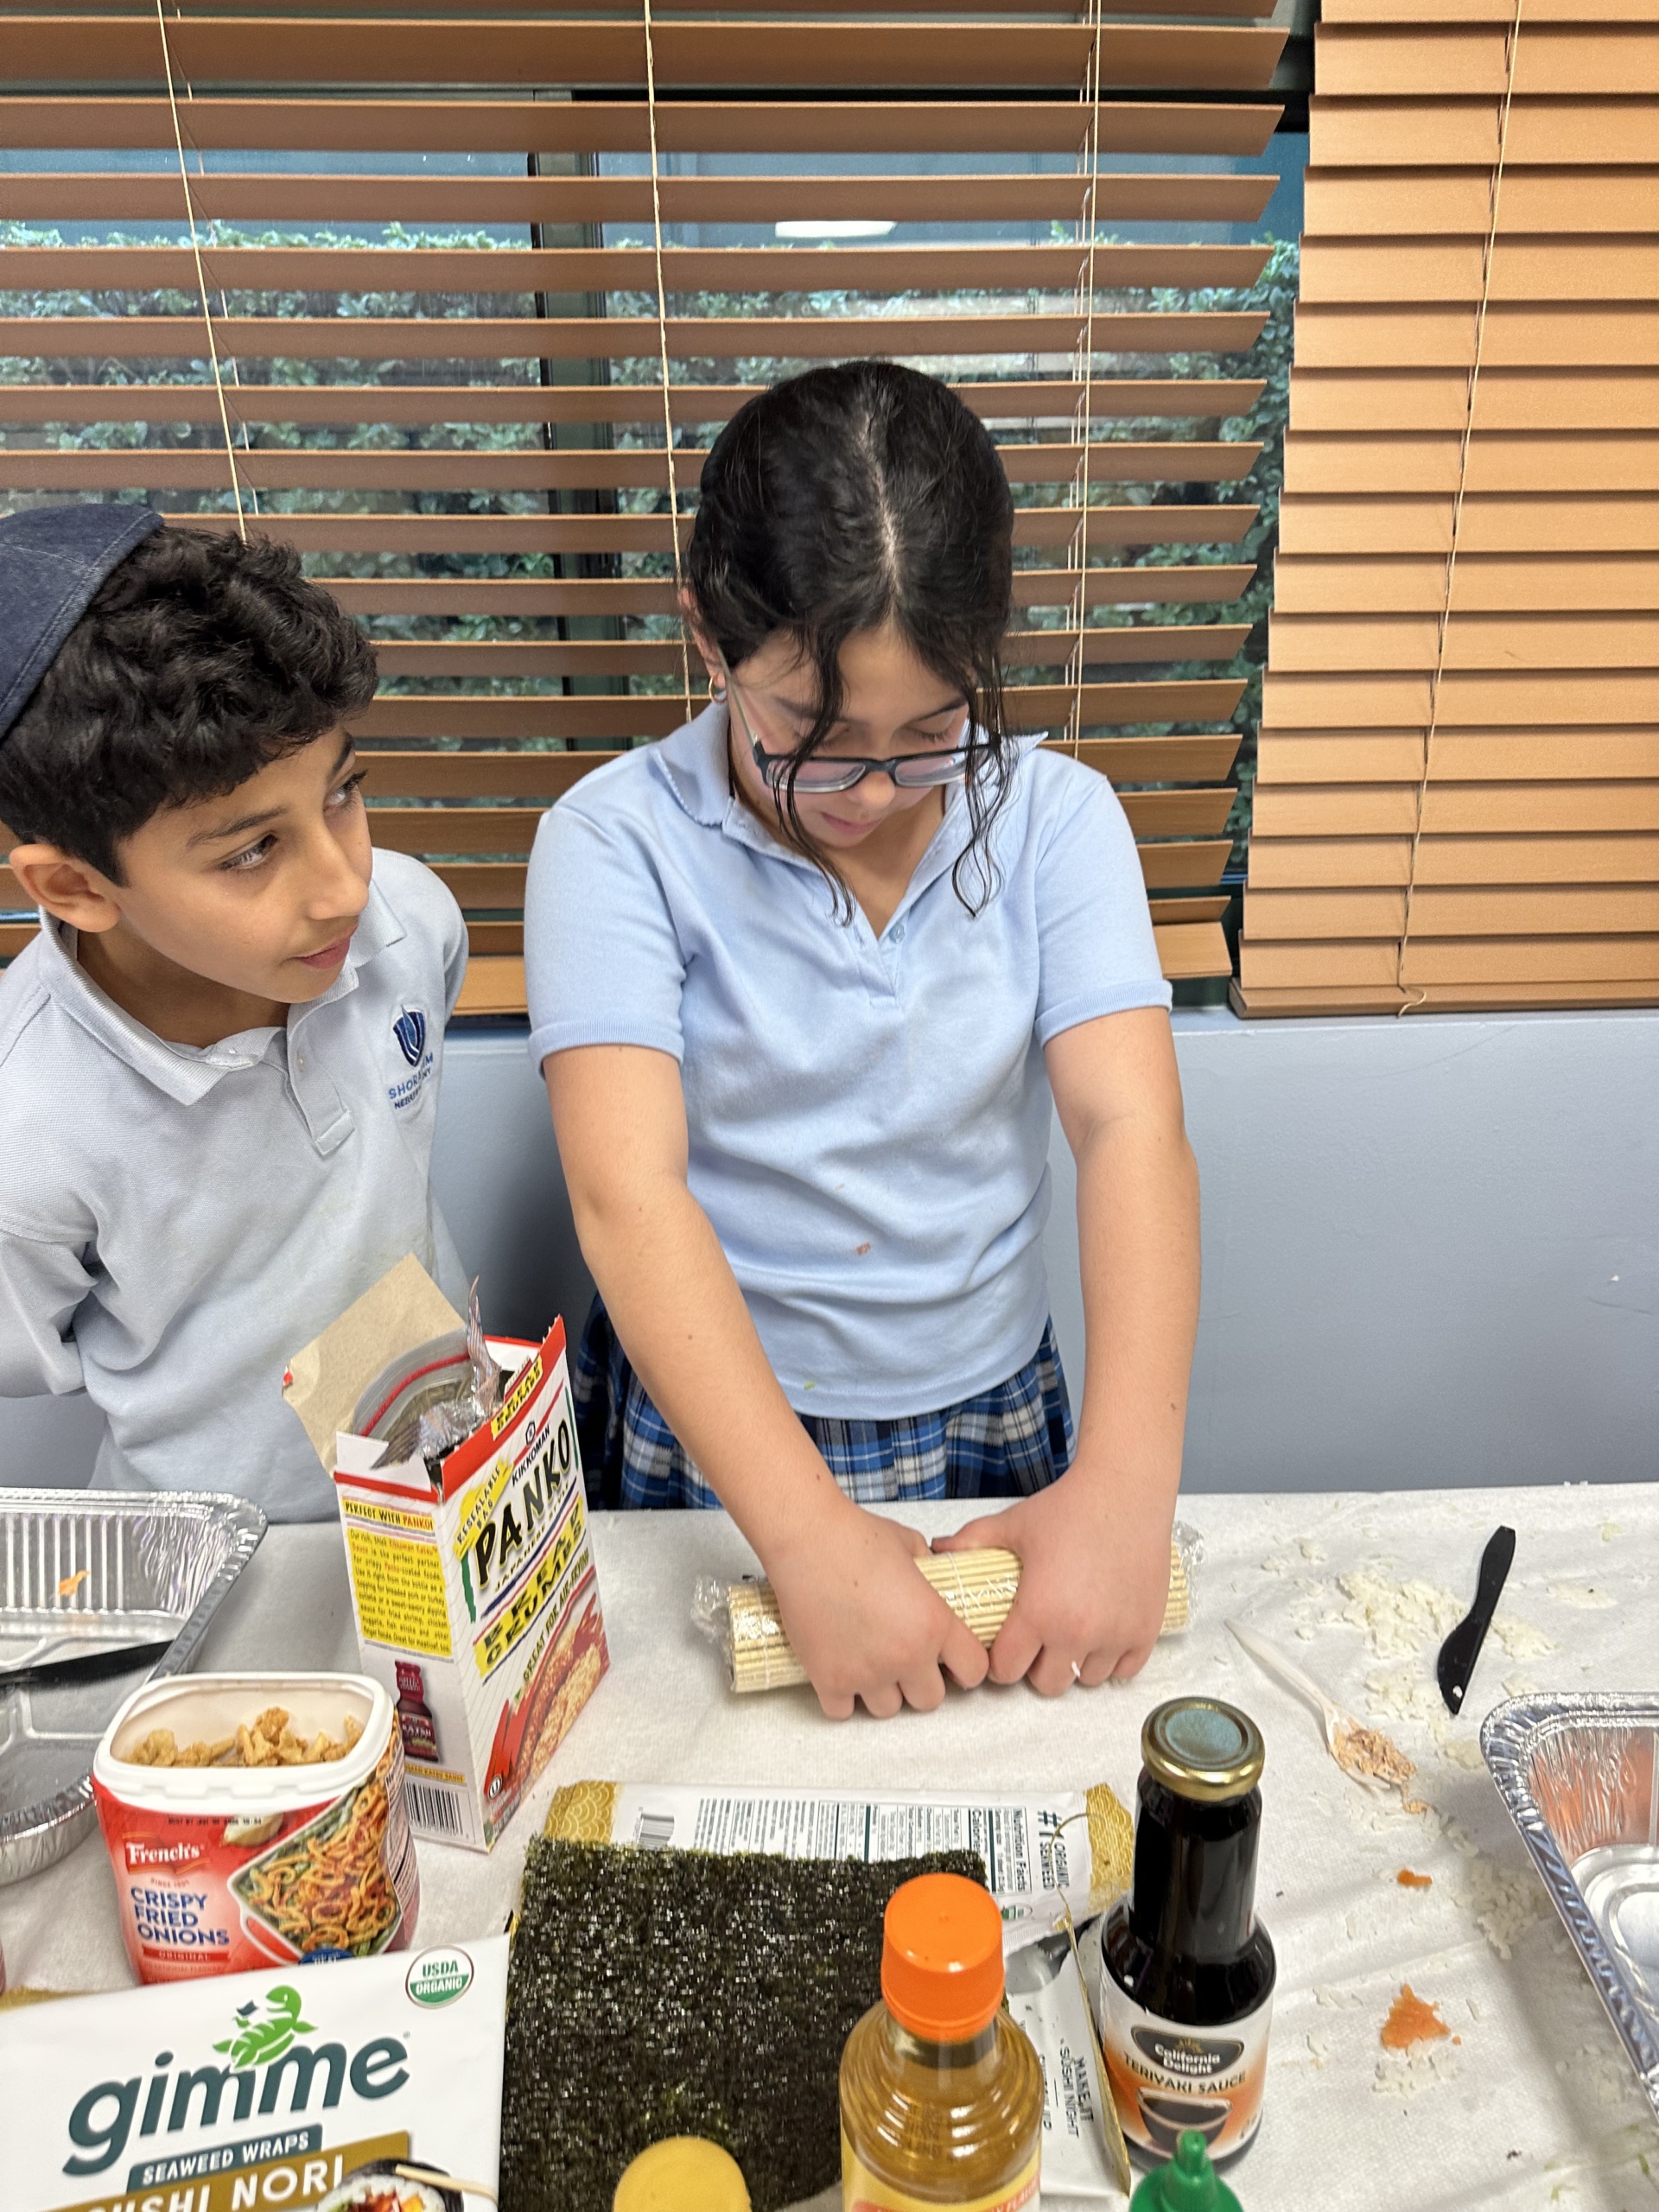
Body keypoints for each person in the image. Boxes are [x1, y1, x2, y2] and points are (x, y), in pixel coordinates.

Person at [526, 362, 1200, 1718]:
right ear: (707, 639)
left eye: (933, 733)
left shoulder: (1056, 821)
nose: (875, 791)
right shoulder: (613, 842)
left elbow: (1130, 1126)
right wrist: (802, 1534)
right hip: (728, 1431)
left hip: (990, 1400)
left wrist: (1127, 1490)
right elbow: (625, 1192)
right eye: (811, 736)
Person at [0, 509, 467, 1519]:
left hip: (451, 1490)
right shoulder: (23, 1121)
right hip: (219, 1548)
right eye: (251, 850)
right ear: (76, 886)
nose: (344, 887)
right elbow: (29, 1348)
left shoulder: (409, 921)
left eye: (343, 791)